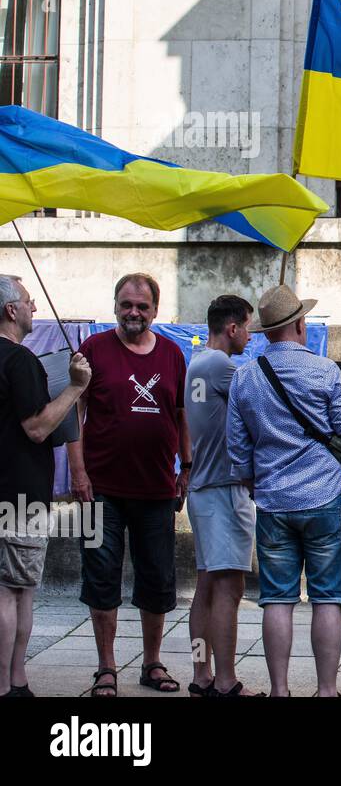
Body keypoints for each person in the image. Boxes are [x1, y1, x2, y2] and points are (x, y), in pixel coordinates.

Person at [227, 284, 341, 698]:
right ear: (301, 325)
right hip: (325, 498)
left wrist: (260, 487)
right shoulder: (324, 371)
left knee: (277, 600)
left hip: (272, 502)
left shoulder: (246, 377)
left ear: (267, 331)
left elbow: (238, 450)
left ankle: (279, 690)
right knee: (328, 598)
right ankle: (326, 690)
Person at [68, 273, 190, 698]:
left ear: (155, 310)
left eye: (141, 305)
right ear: (115, 306)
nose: (133, 312)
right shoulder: (93, 350)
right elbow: (74, 414)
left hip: (157, 489)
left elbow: (180, 414)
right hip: (98, 489)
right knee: (100, 578)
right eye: (126, 304)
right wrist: (77, 473)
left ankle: (152, 662)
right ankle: (106, 668)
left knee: (157, 580)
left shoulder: (174, 355)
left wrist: (186, 467)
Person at [0, 275, 91, 697]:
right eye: (29, 301)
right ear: (11, 310)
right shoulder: (20, 361)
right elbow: (37, 428)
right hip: (18, 494)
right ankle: (11, 683)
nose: (35, 308)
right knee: (15, 590)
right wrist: (74, 386)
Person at [185, 294, 261, 697]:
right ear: (232, 328)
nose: (250, 335)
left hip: (202, 488)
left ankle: (201, 674)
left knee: (205, 587)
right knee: (229, 589)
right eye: (248, 326)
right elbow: (259, 405)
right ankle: (226, 680)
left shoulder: (197, 362)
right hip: (223, 491)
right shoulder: (223, 366)